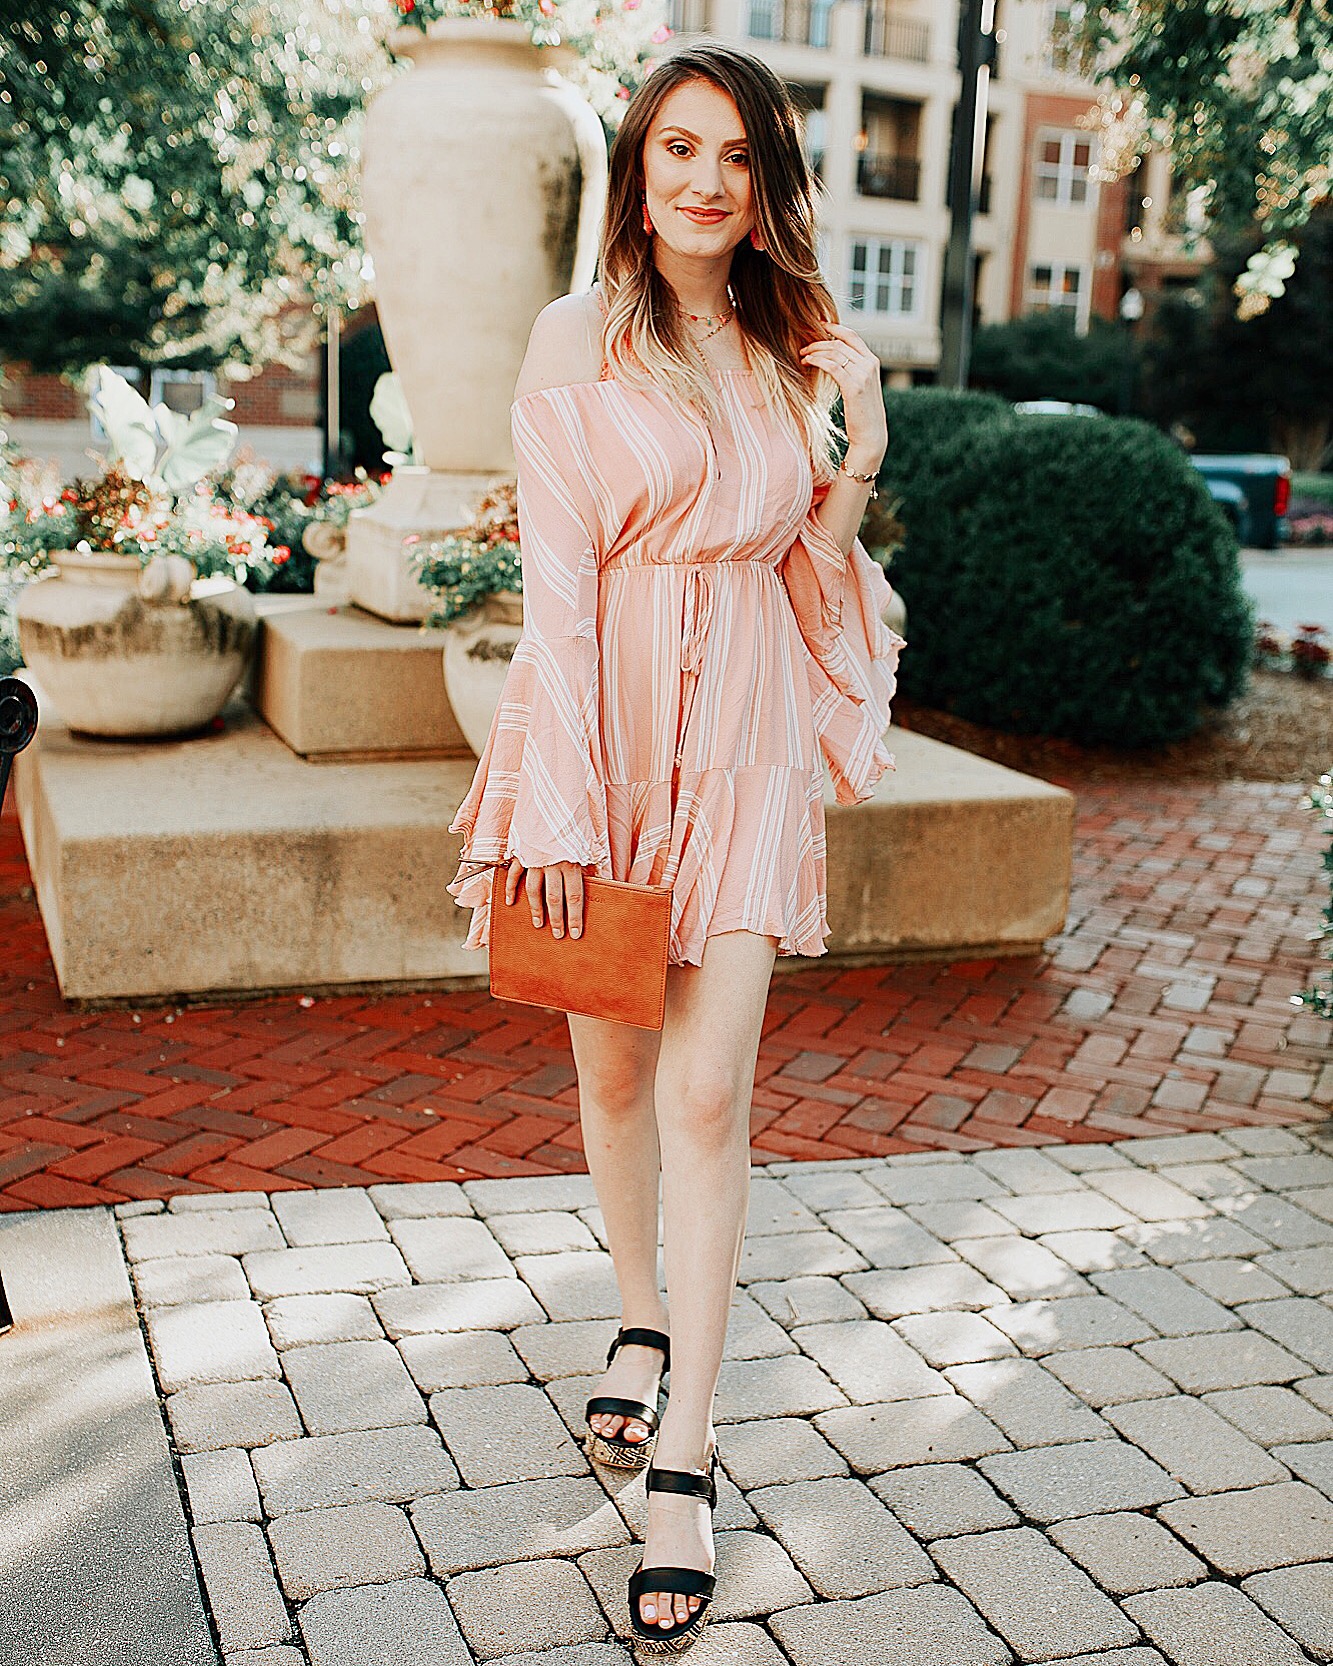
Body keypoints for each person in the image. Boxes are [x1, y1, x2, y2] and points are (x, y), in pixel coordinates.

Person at [446, 41, 904, 1655]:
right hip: (610, 730)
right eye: (678, 150)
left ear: (765, 183)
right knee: (617, 1077)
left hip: (749, 737)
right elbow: (557, 593)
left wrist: (853, 447)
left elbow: (804, 571)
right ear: (639, 170)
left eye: (736, 157)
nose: (705, 181)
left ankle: (688, 1457)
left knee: (712, 1090)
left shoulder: (794, 349)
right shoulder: (578, 335)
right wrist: (557, 801)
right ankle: (635, 1313)